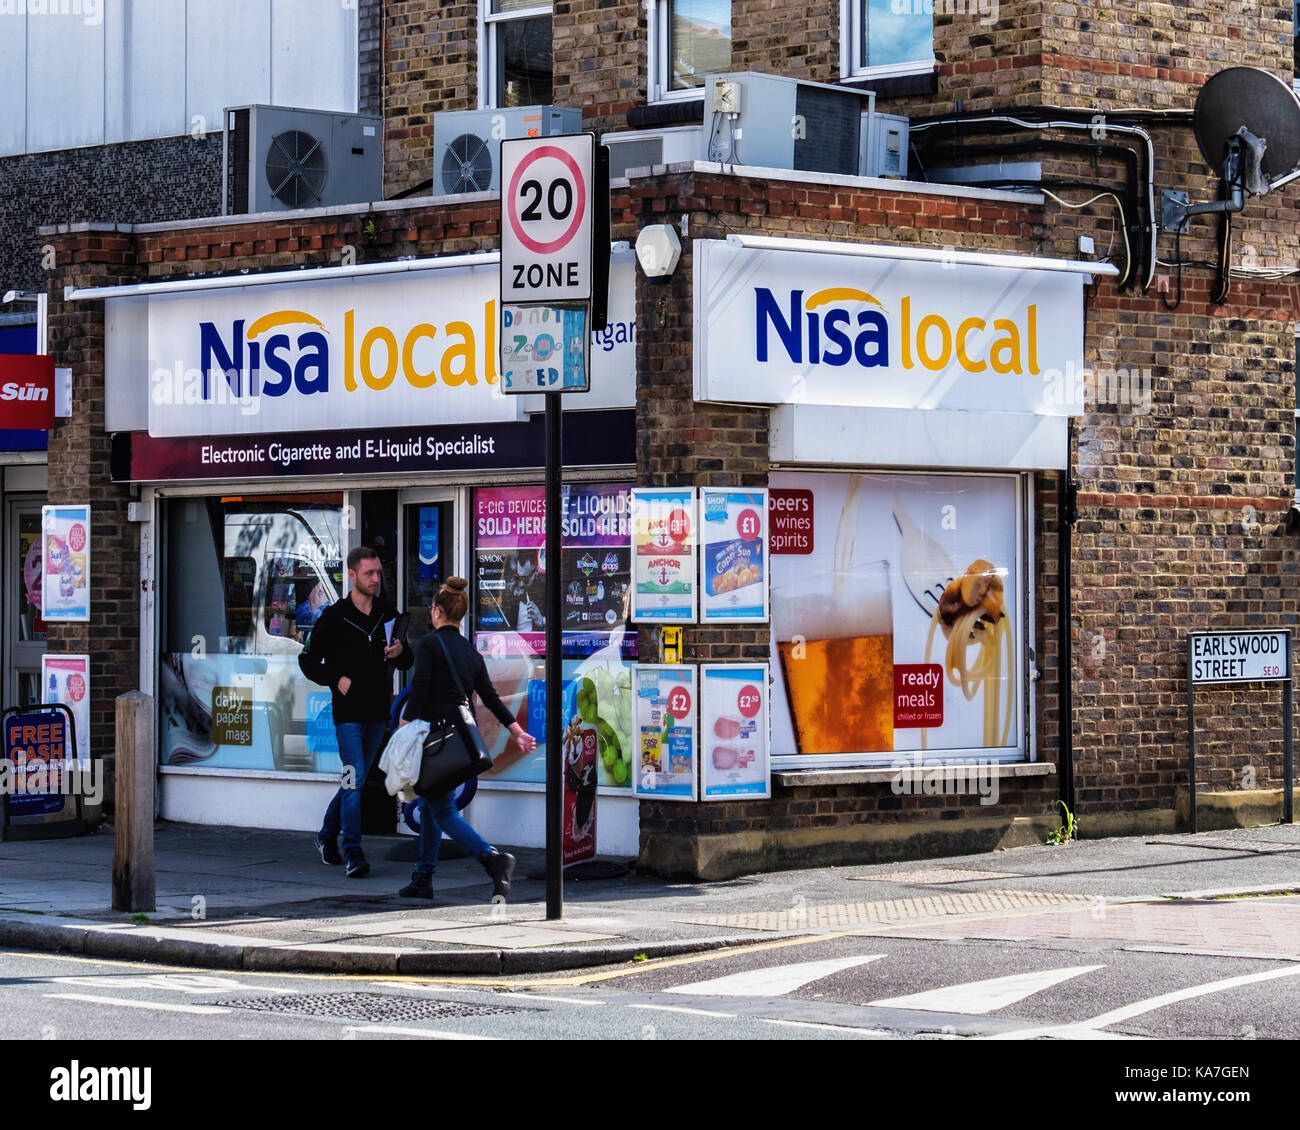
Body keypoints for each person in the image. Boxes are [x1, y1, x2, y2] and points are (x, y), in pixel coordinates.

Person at [398, 576, 537, 900]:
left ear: (436, 611)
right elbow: (488, 697)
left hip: (437, 739)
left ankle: (493, 859)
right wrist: (516, 731)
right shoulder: (471, 653)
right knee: (434, 803)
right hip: (463, 741)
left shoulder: (429, 645)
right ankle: (424, 877)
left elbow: (419, 692)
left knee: (442, 810)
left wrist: (403, 728)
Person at [299, 546, 412, 878]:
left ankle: (324, 835)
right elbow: (307, 661)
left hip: (378, 710)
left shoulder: (387, 615)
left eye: (378, 573)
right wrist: (335, 678)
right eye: (369, 573)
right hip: (347, 711)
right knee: (355, 778)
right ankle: (353, 852)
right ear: (352, 575)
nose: (376, 579)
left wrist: (401, 651)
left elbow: (407, 660)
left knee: (355, 780)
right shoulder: (334, 617)